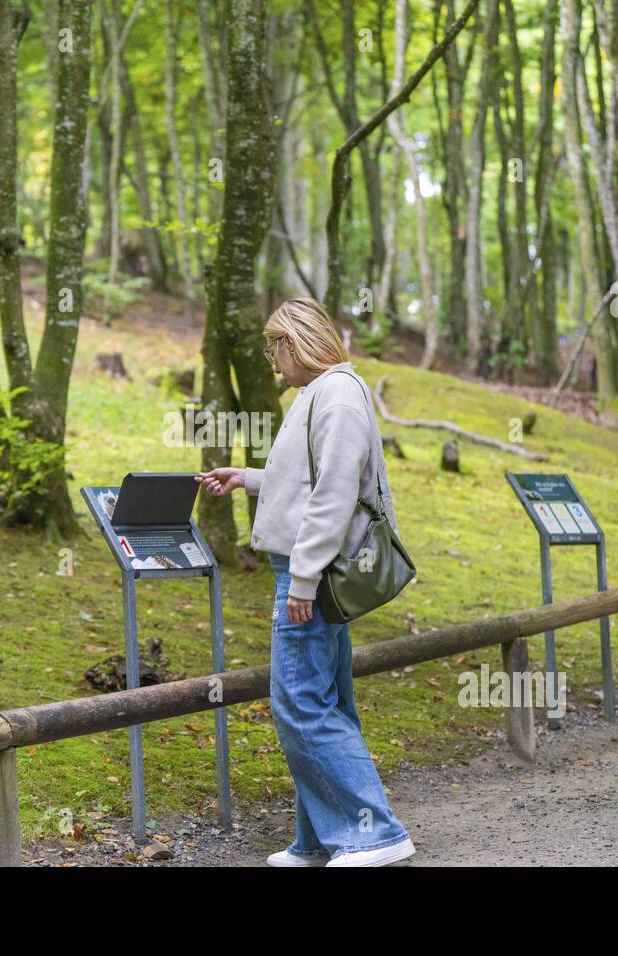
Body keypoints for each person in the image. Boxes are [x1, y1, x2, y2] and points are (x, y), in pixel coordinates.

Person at [195, 297, 415, 867]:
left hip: (309, 571)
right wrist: (246, 477)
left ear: (295, 342)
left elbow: (334, 495)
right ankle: (321, 837)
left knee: (299, 704)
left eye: (275, 348)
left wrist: (303, 581)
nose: (272, 362)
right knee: (327, 699)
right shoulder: (323, 394)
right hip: (304, 567)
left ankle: (377, 835)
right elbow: (304, 478)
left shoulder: (337, 395)